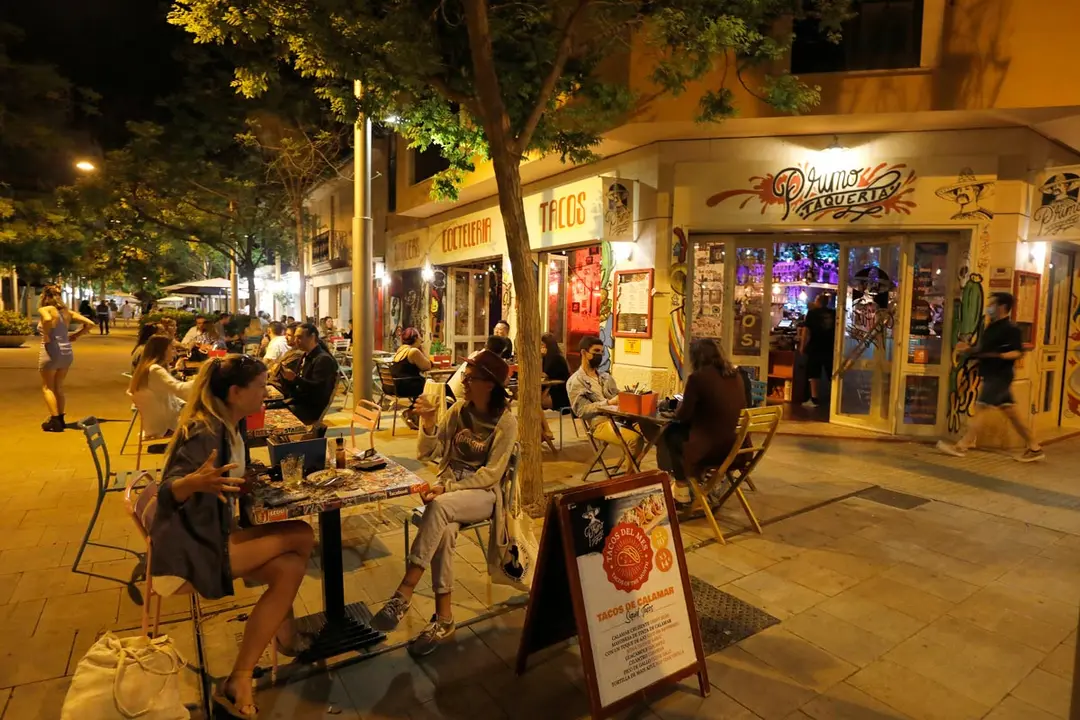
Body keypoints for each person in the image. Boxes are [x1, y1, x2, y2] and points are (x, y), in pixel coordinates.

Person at [149, 355, 315, 718]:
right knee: (302, 534)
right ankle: (284, 633)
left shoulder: (228, 425)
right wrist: (193, 482)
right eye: (260, 386)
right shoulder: (206, 430)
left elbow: (218, 485)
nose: (266, 392)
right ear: (236, 392)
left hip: (211, 534)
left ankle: (242, 675)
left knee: (289, 567)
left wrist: (238, 486)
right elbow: (165, 492)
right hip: (187, 553)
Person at [369, 349, 518, 657]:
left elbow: (491, 475)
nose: (462, 380)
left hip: (483, 494)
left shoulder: (505, 422)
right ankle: (444, 619)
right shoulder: (459, 410)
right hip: (451, 493)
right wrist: (426, 422)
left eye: (469, 376)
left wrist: (445, 487)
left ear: (489, 384)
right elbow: (428, 452)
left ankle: (405, 590)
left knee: (439, 507)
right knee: (444, 530)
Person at [937, 292, 1045, 462]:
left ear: (1002, 307)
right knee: (1012, 413)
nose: (989, 307)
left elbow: (1017, 352)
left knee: (981, 408)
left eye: (992, 304)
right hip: (990, 374)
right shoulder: (991, 327)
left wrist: (999, 356)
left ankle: (961, 446)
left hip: (1000, 376)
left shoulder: (1011, 329)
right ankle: (1034, 447)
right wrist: (968, 349)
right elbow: (983, 349)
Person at [658, 339, 748, 502]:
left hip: (711, 450)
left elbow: (683, 415)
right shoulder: (736, 376)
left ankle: (682, 488)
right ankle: (698, 482)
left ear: (696, 358)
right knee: (680, 434)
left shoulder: (698, 378)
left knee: (670, 434)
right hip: (737, 448)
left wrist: (674, 411)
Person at [567, 336, 643, 465]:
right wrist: (608, 403)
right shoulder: (575, 382)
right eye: (596, 351)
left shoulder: (605, 377)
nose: (600, 355)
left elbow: (617, 396)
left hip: (619, 418)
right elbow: (581, 411)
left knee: (651, 430)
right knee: (635, 440)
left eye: (602, 352)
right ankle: (629, 480)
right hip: (600, 423)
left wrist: (629, 395)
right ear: (584, 353)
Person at [37, 284, 96, 431]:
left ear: (44, 297)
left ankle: (55, 420)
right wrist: (76, 335)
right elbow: (90, 324)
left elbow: (47, 319)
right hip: (67, 352)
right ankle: (60, 418)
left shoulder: (45, 309)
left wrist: (46, 335)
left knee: (47, 387)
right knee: (59, 386)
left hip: (51, 350)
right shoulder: (67, 312)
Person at [128, 335, 193, 439]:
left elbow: (172, 396)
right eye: (172, 348)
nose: (175, 352)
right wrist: (201, 380)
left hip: (155, 423)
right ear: (161, 351)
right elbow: (179, 389)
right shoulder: (155, 370)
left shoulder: (147, 367)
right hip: (165, 426)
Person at [278, 323, 338, 423]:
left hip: (311, 408)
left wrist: (295, 379)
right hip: (300, 401)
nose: (296, 341)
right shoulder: (306, 355)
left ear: (312, 337)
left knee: (273, 413)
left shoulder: (323, 359)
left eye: (300, 337)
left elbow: (317, 390)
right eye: (295, 337)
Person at [390, 327, 433, 427]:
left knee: (426, 384)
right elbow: (427, 366)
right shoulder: (413, 351)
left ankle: (412, 413)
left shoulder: (400, 350)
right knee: (433, 387)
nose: (421, 339)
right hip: (407, 386)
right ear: (416, 338)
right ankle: (412, 413)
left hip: (395, 386)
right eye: (420, 336)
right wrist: (422, 348)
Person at [446, 336, 510, 402]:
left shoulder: (476, 355)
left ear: (485, 345)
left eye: (470, 378)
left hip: (448, 395)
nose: (463, 381)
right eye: (467, 377)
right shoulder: (488, 363)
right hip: (458, 400)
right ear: (502, 351)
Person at [800, 294, 835, 409]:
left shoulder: (812, 313)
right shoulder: (833, 313)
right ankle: (835, 398)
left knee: (814, 373)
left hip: (815, 346)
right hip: (830, 347)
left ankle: (814, 399)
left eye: (815, 299)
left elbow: (806, 332)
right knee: (832, 373)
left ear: (818, 301)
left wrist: (802, 346)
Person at [541, 333, 571, 410]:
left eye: (542, 345)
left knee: (535, 401)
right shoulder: (546, 358)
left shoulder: (557, 359)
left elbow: (544, 375)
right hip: (550, 389)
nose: (540, 347)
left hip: (559, 394)